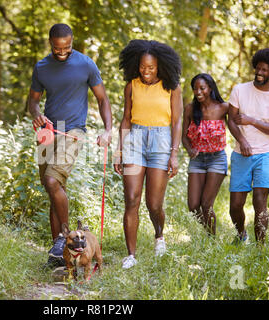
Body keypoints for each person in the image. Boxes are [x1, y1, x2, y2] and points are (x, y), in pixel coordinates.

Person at [28, 24, 112, 268]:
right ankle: (60, 251)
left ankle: (63, 237)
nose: (62, 52)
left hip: (73, 130)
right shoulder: (42, 67)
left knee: (53, 181)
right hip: (48, 131)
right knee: (51, 188)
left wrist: (107, 130)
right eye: (57, 48)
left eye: (67, 47)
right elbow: (33, 101)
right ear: (50, 43)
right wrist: (36, 114)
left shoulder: (86, 64)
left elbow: (102, 98)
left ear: (72, 42)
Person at [113, 40, 183, 269]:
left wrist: (174, 154)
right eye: (143, 67)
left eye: (151, 67)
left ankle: (159, 235)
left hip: (161, 143)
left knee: (154, 204)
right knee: (132, 199)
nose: (146, 71)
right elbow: (125, 118)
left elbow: (176, 122)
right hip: (135, 140)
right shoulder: (131, 86)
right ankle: (131, 255)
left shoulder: (171, 87)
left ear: (160, 66)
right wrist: (119, 149)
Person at [227, 48, 269, 244]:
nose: (260, 73)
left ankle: (260, 248)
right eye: (258, 68)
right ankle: (241, 235)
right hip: (241, 152)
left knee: (259, 200)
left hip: (267, 153)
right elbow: (231, 120)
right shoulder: (239, 90)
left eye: (265, 70)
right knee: (236, 204)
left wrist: (252, 120)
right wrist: (242, 141)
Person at [181, 74, 228, 235]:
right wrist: (189, 149)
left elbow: (245, 116)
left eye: (202, 88)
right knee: (193, 206)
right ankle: (209, 231)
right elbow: (184, 136)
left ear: (210, 88)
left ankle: (212, 239)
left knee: (207, 204)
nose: (198, 91)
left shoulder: (223, 108)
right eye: (195, 88)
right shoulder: (190, 109)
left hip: (217, 158)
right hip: (197, 159)